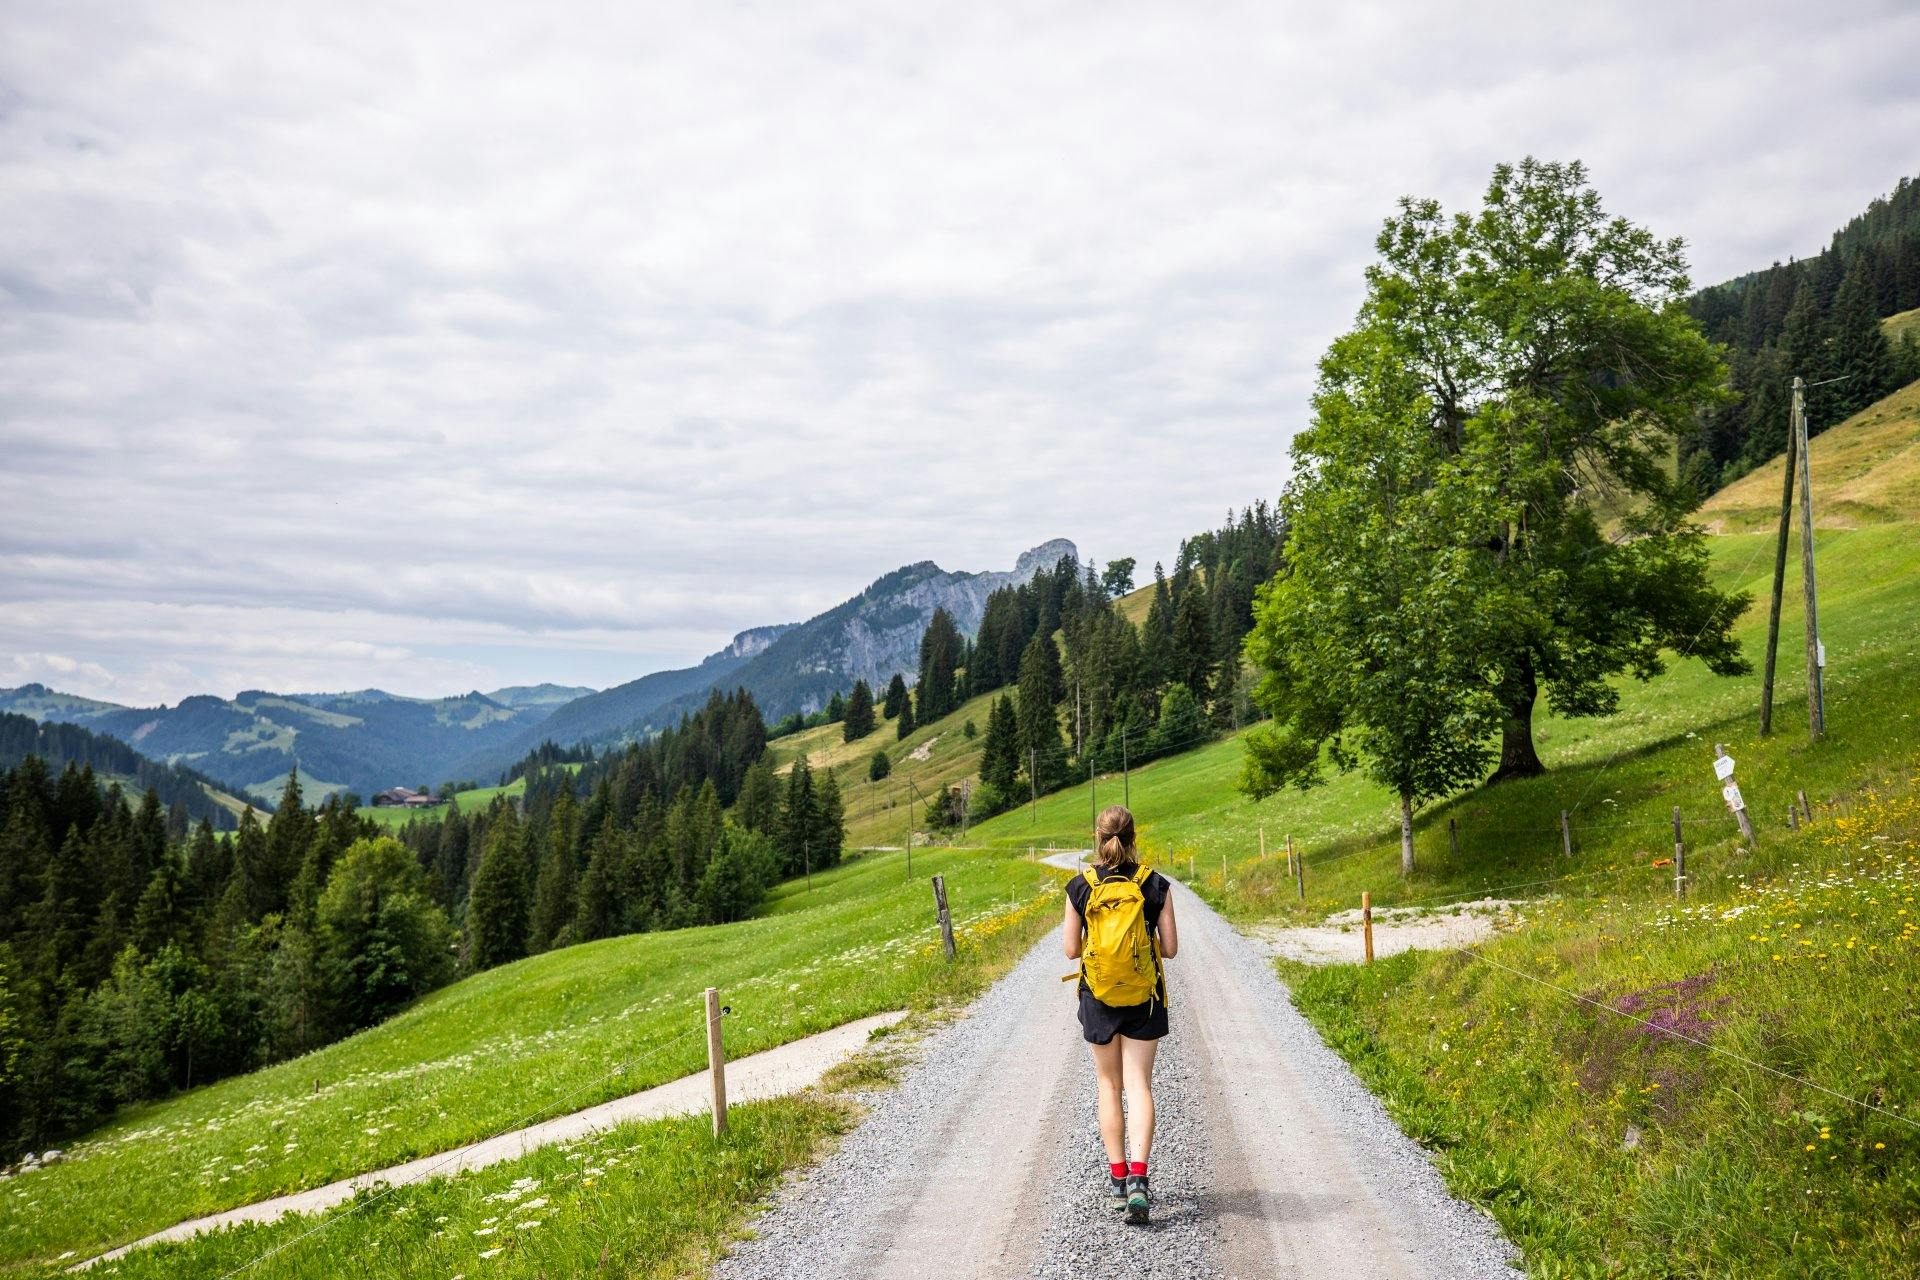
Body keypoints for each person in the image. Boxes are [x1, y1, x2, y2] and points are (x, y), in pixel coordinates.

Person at [1063, 803, 1178, 1225]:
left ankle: (1116, 1180)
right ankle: (1139, 1183)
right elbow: (1169, 949)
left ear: (1098, 836)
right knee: (1139, 1087)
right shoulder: (1155, 884)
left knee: (1109, 1087)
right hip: (1143, 998)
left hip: (1098, 997)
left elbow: (1072, 950)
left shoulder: (1081, 886)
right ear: (1134, 837)